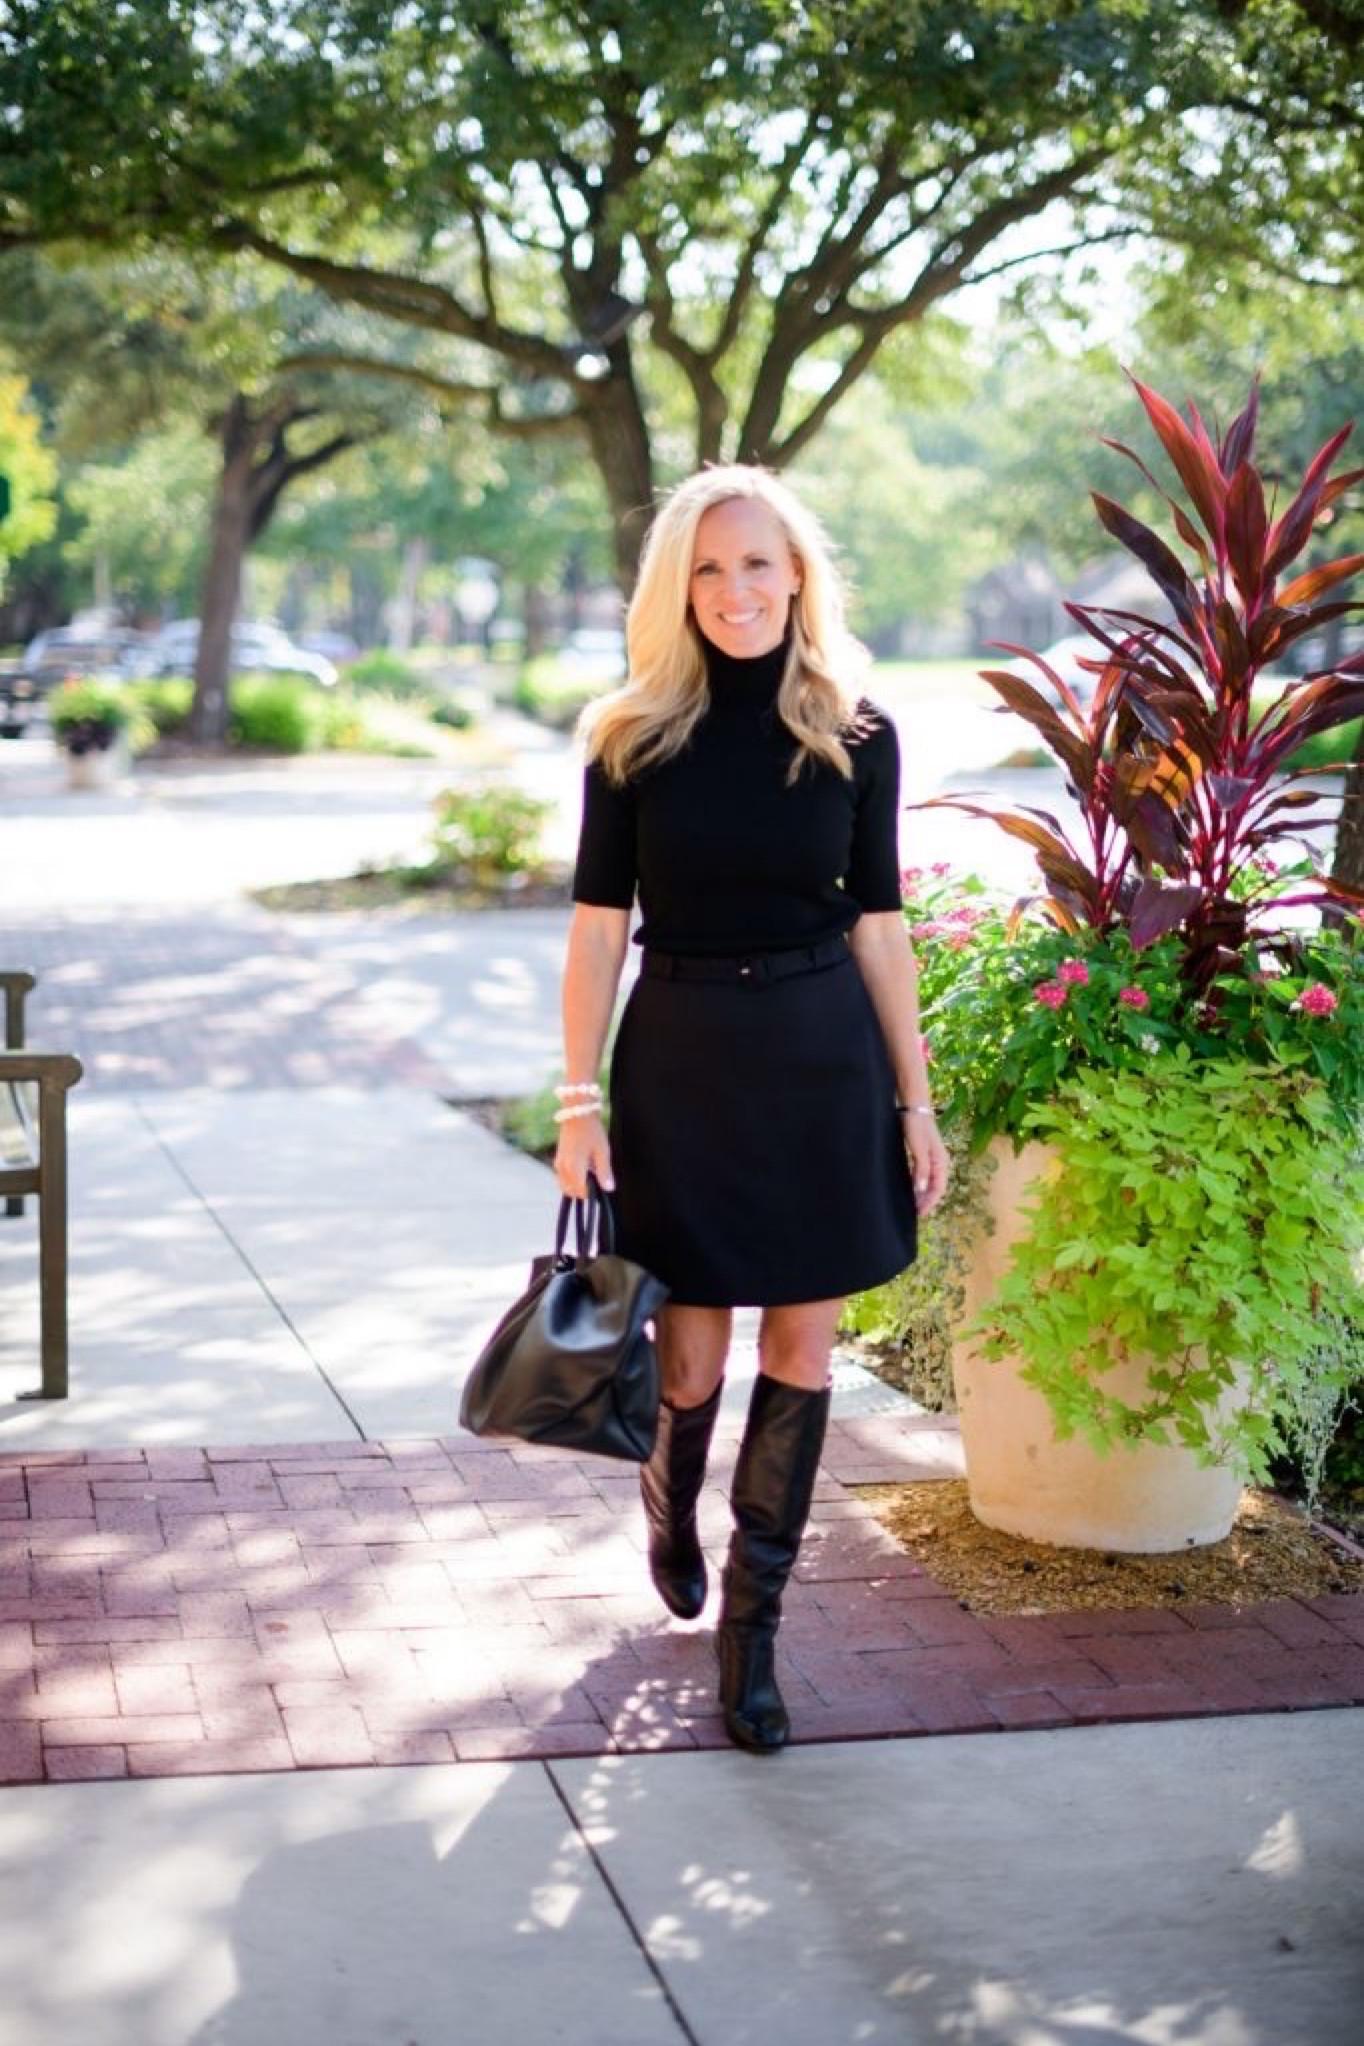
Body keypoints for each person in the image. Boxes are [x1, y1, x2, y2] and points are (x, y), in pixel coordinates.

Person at [555, 465, 950, 1754]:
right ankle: (671, 1498)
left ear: (799, 577)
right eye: (711, 569)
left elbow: (882, 926)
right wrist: (577, 1100)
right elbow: (596, 931)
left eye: (759, 564)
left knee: (803, 1351)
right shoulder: (632, 737)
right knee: (693, 1358)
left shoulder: (858, 731)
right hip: (682, 1060)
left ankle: (753, 1628)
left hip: (821, 1061)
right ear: (681, 587)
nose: (737, 590)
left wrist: (916, 1099)